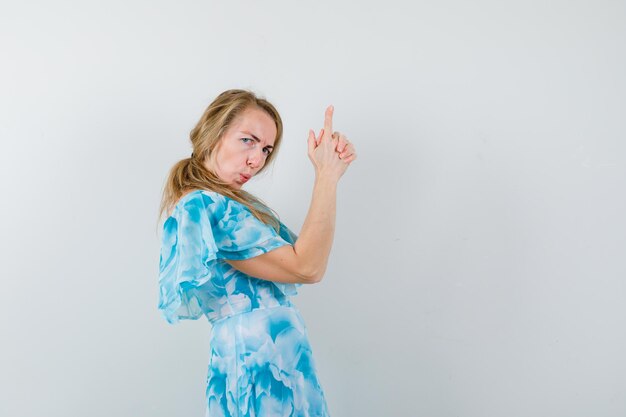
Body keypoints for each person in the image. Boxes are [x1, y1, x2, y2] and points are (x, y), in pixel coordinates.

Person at [157, 89, 356, 416]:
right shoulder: (206, 205)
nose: (258, 160)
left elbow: (304, 260)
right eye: (248, 140)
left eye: (266, 149)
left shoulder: (224, 204)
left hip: (271, 356)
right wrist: (327, 176)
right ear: (213, 135)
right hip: (256, 358)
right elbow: (307, 267)